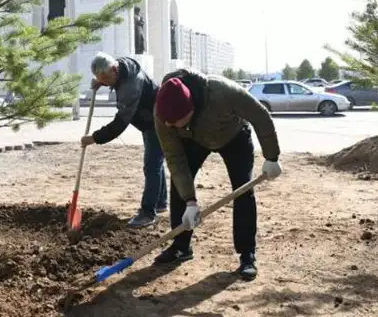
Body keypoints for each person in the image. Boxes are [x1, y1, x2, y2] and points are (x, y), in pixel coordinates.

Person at [152, 69, 283, 281]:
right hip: (194, 140)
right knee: (178, 187)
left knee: (243, 190)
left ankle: (247, 254)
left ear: (190, 108)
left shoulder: (222, 92)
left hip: (234, 137)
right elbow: (174, 158)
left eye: (173, 121)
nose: (168, 125)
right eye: (166, 121)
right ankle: (181, 246)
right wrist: (190, 201)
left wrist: (272, 157)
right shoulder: (163, 112)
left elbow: (260, 116)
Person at [81, 52, 167, 227]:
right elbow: (113, 79)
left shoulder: (130, 87)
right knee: (155, 162)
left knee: (152, 165)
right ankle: (160, 202)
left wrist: (95, 138)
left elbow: (119, 124)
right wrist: (101, 82)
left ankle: (148, 213)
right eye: (101, 79)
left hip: (157, 120)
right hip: (148, 117)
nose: (105, 82)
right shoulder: (122, 67)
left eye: (105, 78)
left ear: (114, 69)